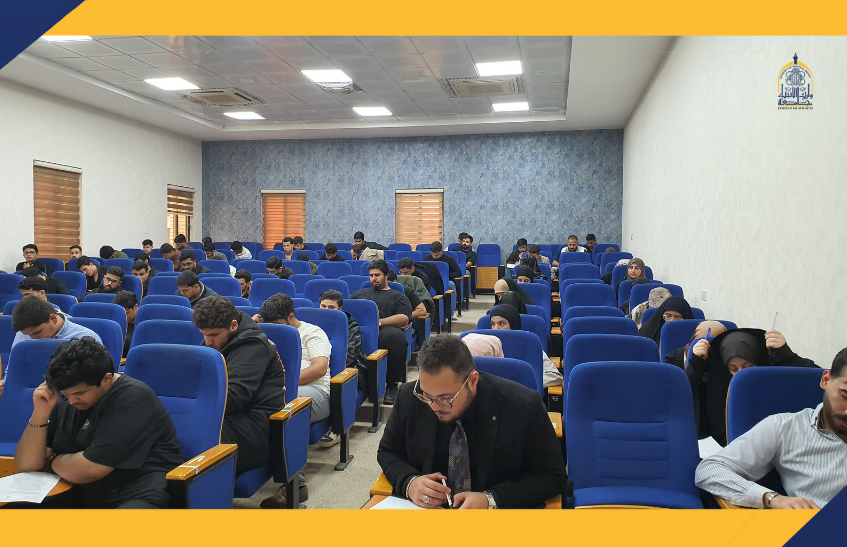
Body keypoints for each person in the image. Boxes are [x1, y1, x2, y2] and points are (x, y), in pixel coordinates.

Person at [377, 334, 567, 509]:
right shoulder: (409, 397)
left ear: (473, 380)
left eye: (445, 398)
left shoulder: (523, 405)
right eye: (426, 395)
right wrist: (410, 482)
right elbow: (388, 451)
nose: (433, 406)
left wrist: (492, 499)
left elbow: (553, 477)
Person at [12, 337, 183, 508]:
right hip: (78, 490)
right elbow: (27, 465)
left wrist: (50, 461)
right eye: (65, 394)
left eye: (79, 393)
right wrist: (40, 414)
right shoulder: (63, 398)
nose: (71, 401)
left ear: (106, 379)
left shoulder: (133, 399)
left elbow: (90, 469)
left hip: (135, 492)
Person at [695, 348, 847, 509]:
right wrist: (770, 498)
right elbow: (709, 470)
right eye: (845, 394)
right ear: (826, 380)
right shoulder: (786, 428)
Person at [191, 297, 286, 478]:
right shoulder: (218, 342)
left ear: (234, 325)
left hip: (256, 426)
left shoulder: (253, 345)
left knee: (190, 440)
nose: (208, 342)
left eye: (213, 335)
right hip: (229, 418)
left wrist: (190, 410)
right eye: (204, 335)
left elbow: (233, 397)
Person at [251, 294, 330, 508]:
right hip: (277, 392)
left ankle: (297, 486)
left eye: (277, 324)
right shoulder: (263, 333)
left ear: (291, 316)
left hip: (315, 392)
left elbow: (319, 369)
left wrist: (283, 383)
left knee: (289, 410)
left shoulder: (313, 333)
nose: (274, 329)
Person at [688, 328, 818, 445]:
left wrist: (788, 357)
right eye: (733, 369)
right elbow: (684, 394)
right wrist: (696, 366)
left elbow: (818, 381)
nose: (740, 374)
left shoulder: (773, 374)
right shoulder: (717, 381)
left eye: (748, 367)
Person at [350, 259, 411, 406]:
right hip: (360, 330)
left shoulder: (397, 296)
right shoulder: (360, 294)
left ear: (386, 275)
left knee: (396, 337)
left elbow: (404, 318)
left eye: (377, 275)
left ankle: (392, 385)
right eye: (371, 275)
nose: (373, 279)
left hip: (384, 330)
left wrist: (379, 322)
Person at [318, 289, 370, 418]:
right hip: (319, 367)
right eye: (323, 306)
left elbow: (350, 356)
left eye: (331, 307)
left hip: (346, 367)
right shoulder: (313, 323)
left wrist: (321, 367)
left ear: (340, 309)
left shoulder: (351, 325)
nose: (326, 310)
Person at [488, 304, 562, 388]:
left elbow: (554, 376)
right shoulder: (485, 347)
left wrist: (522, 382)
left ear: (513, 324)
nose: (496, 328)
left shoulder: (528, 346)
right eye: (493, 324)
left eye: (501, 324)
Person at [9, 296, 102, 351]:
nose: (32, 338)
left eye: (37, 332)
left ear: (53, 319)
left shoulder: (85, 338)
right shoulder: (25, 331)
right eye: (28, 335)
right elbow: (14, 369)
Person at [112, 290, 138, 358]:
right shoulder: (114, 324)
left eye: (126, 313)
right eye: (120, 314)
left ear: (135, 307)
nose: (123, 317)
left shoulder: (142, 325)